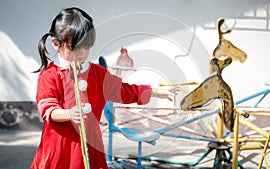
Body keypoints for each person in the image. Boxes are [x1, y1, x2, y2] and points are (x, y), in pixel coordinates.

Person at [31, 7, 177, 169]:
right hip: (60, 147)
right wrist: (68, 114)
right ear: (56, 44)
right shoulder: (50, 75)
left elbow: (124, 90)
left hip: (91, 144)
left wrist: (155, 92)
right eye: (75, 48)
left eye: (86, 48)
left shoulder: (97, 74)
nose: (82, 54)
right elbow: (47, 108)